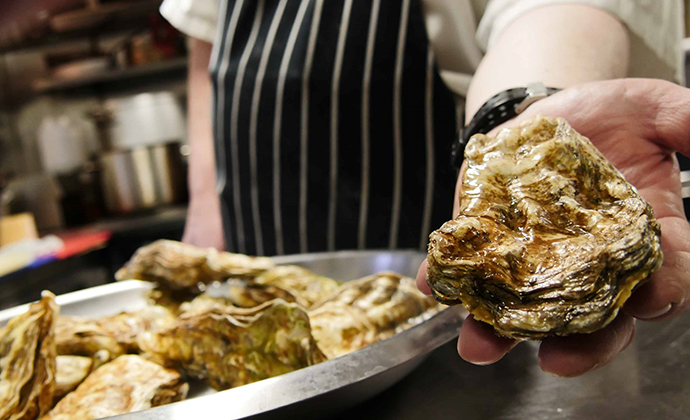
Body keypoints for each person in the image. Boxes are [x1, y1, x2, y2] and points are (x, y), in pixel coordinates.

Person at [159, 0, 686, 377]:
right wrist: (207, 203)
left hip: (434, 312)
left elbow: (563, 9)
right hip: (259, 233)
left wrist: (518, 121)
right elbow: (209, 45)